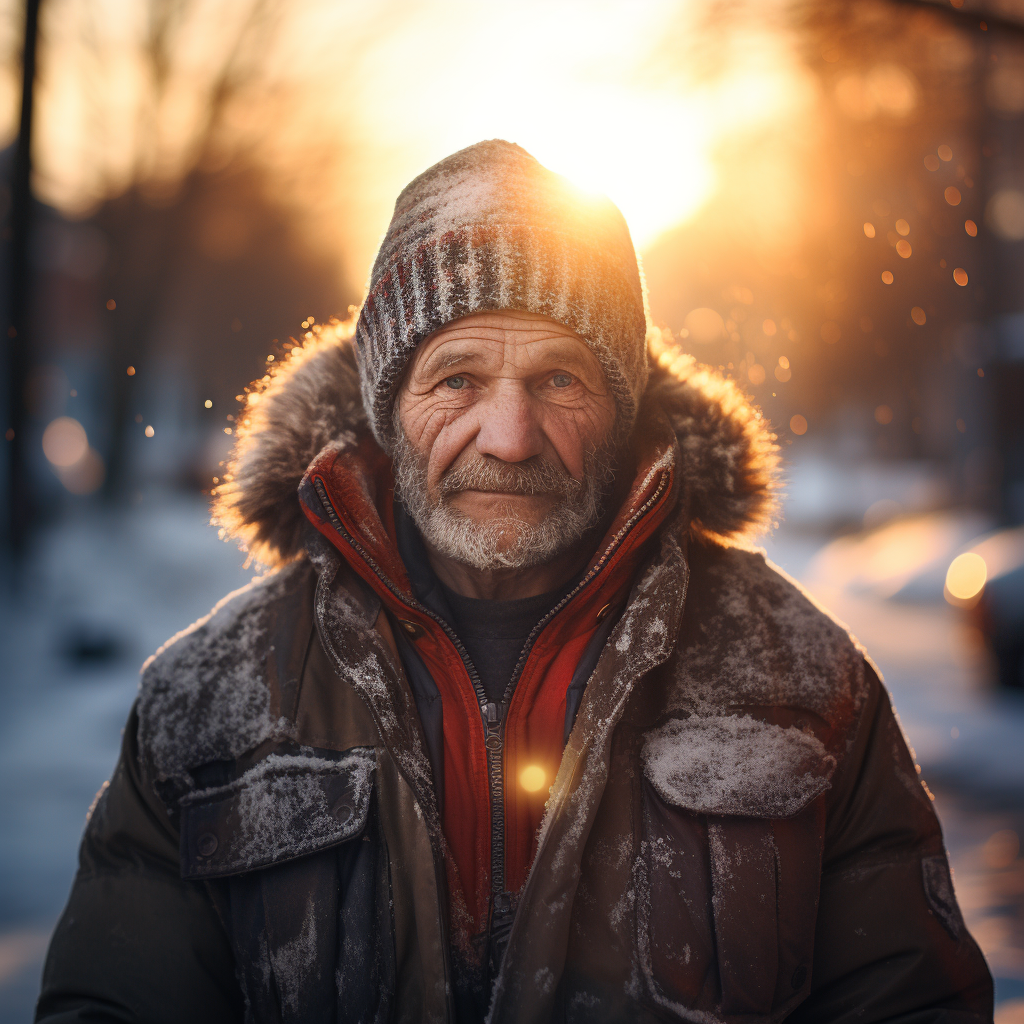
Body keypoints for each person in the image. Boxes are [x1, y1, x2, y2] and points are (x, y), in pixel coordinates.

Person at [37, 140, 992, 1024]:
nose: (509, 434)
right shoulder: (208, 707)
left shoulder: (801, 678)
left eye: (560, 380)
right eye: (455, 379)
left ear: (621, 409)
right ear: (386, 407)